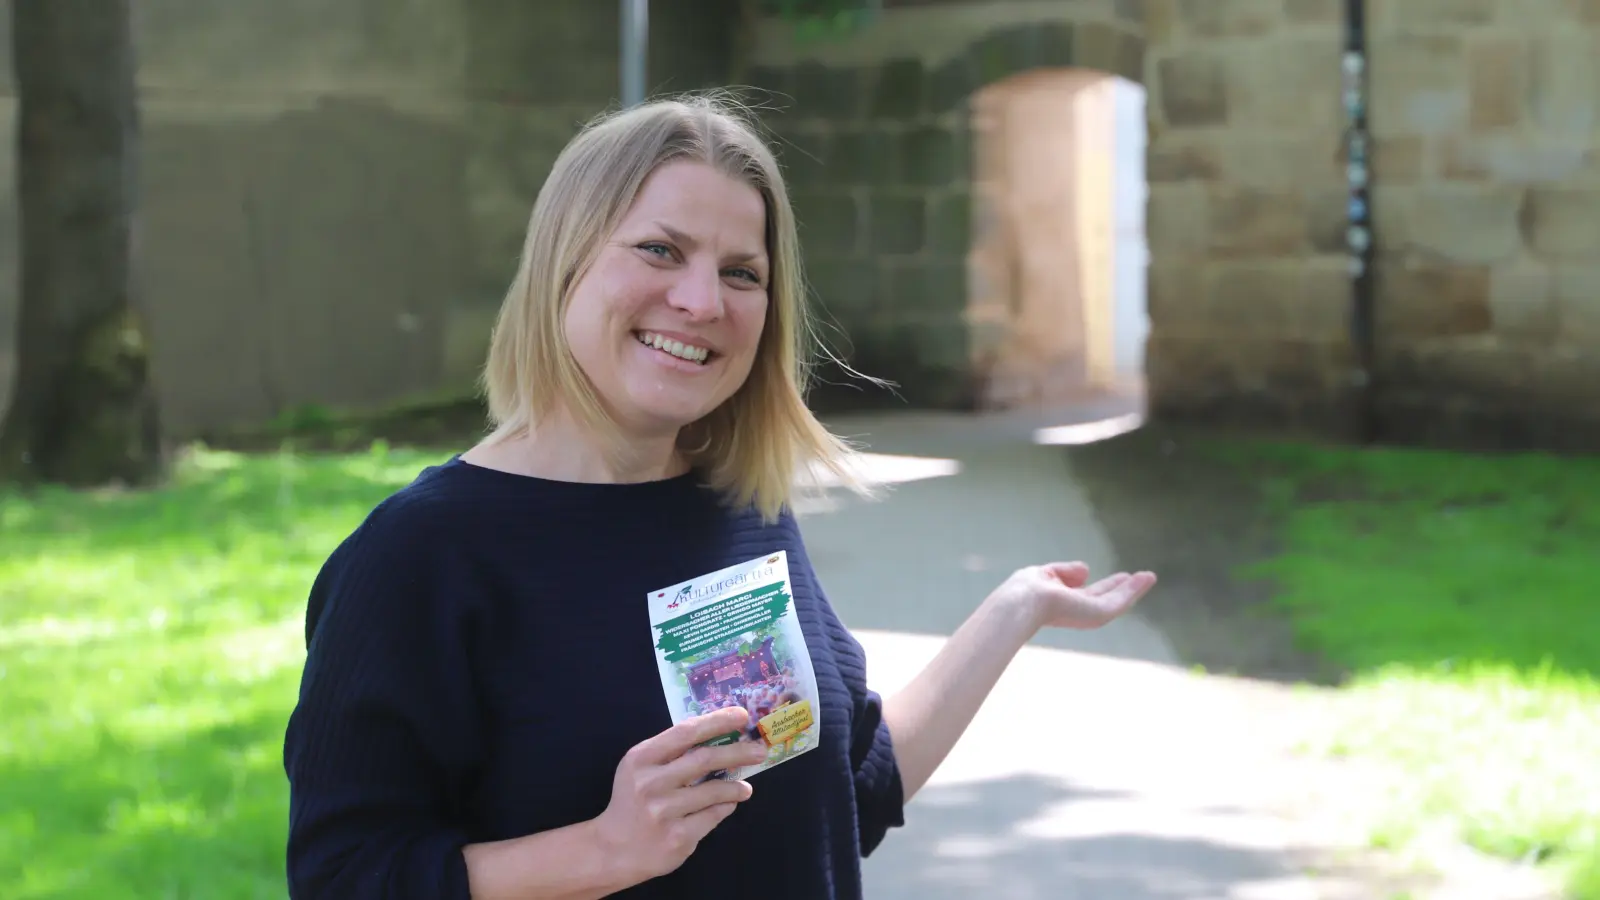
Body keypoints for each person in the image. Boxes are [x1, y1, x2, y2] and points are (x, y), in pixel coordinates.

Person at [281, 92, 1157, 900]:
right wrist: (602, 849)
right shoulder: (417, 560)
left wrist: (1012, 612)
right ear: (565, 263)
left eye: (743, 273)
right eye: (660, 250)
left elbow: (848, 795)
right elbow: (345, 876)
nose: (702, 301)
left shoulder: (740, 511)